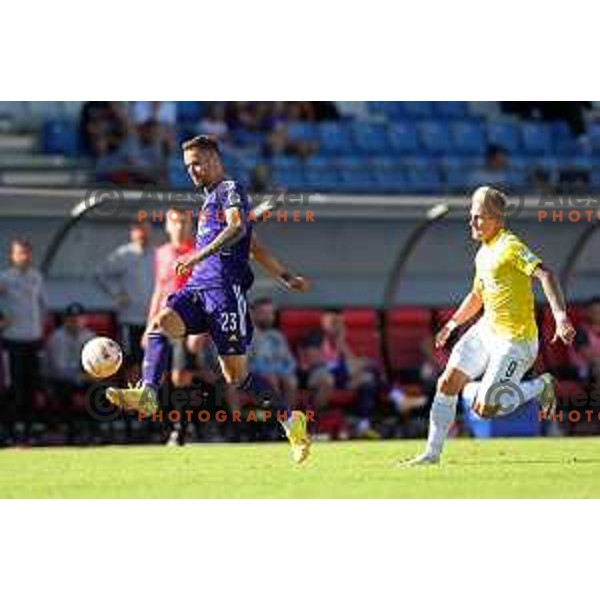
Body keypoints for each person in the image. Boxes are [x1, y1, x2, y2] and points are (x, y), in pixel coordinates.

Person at [105, 135, 312, 463]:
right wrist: (284, 274)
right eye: (188, 166)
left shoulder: (230, 189)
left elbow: (239, 231)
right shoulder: (210, 200)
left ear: (215, 159)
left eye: (198, 163)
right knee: (160, 324)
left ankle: (291, 420)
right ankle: (147, 393)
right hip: (197, 290)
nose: (193, 171)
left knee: (237, 377)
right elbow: (252, 242)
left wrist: (199, 255)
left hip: (225, 294)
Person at [405, 186, 576, 466]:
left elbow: (545, 274)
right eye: (471, 216)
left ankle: (539, 386)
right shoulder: (483, 252)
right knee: (446, 383)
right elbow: (477, 295)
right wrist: (451, 324)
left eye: (479, 217)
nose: (472, 222)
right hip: (487, 330)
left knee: (487, 408)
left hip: (515, 341)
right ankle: (431, 455)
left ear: (497, 219)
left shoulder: (510, 246)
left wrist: (560, 317)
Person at [0, 238, 47, 442]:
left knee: (31, 388)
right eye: (20, 253)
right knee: (14, 388)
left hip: (33, 339)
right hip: (13, 340)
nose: (24, 257)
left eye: (26, 253)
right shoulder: (5, 278)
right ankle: (10, 430)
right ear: (12, 256)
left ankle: (29, 431)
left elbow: (42, 304)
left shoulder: (36, 277)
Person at [96, 221, 155, 378]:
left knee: (152, 362)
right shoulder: (123, 254)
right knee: (131, 362)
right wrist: (117, 293)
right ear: (132, 233)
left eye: (145, 231)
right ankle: (132, 399)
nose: (142, 235)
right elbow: (101, 274)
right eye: (138, 231)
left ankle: (150, 398)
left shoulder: (156, 254)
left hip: (152, 319)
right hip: (129, 318)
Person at [319, 310, 380, 438]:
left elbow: (351, 360)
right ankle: (398, 397)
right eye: (334, 322)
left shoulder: (338, 341)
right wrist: (358, 365)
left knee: (368, 380)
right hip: (326, 376)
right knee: (369, 366)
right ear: (324, 321)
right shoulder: (317, 337)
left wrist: (341, 342)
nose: (338, 326)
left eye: (340, 323)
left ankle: (363, 426)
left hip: (343, 378)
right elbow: (322, 364)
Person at [44, 303, 95, 436]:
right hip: (58, 379)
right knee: (64, 391)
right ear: (65, 320)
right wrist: (81, 377)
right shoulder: (57, 338)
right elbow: (59, 369)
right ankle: (67, 430)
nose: (75, 321)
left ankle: (94, 432)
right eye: (71, 318)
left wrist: (94, 375)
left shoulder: (90, 337)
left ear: (85, 320)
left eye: (79, 318)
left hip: (82, 377)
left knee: (98, 390)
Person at [248, 297, 298, 407]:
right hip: (253, 376)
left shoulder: (277, 336)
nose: (268, 317)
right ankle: (273, 419)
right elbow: (247, 364)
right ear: (252, 314)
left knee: (291, 381)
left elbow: (289, 361)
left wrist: (285, 372)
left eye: (271, 313)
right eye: (263, 313)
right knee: (271, 379)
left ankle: (288, 420)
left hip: (277, 372)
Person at [570, 297, 600, 386]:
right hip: (582, 370)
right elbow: (589, 357)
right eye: (594, 311)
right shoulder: (581, 332)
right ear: (588, 313)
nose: (597, 314)